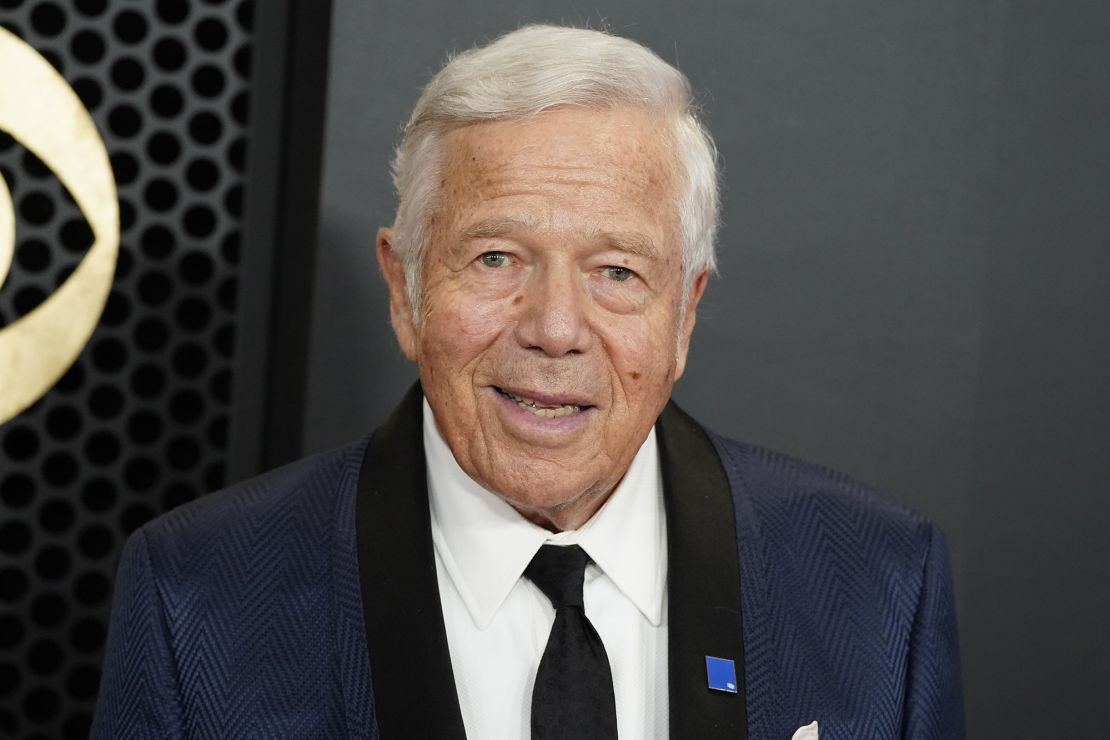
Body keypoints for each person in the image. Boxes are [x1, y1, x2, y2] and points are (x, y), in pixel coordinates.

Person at [91, 24, 963, 740]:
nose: (553, 328)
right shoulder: (197, 596)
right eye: (496, 257)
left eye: (617, 271)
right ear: (406, 290)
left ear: (685, 315)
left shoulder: (877, 585)